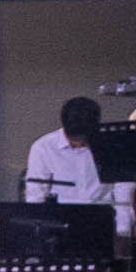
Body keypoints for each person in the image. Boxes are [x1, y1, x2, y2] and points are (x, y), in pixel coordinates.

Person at [23, 94, 125, 238]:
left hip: (102, 221)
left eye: (83, 140)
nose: (78, 145)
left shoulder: (113, 146)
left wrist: (123, 231)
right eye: (72, 140)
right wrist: (38, 235)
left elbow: (123, 194)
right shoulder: (43, 147)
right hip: (60, 224)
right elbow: (36, 196)